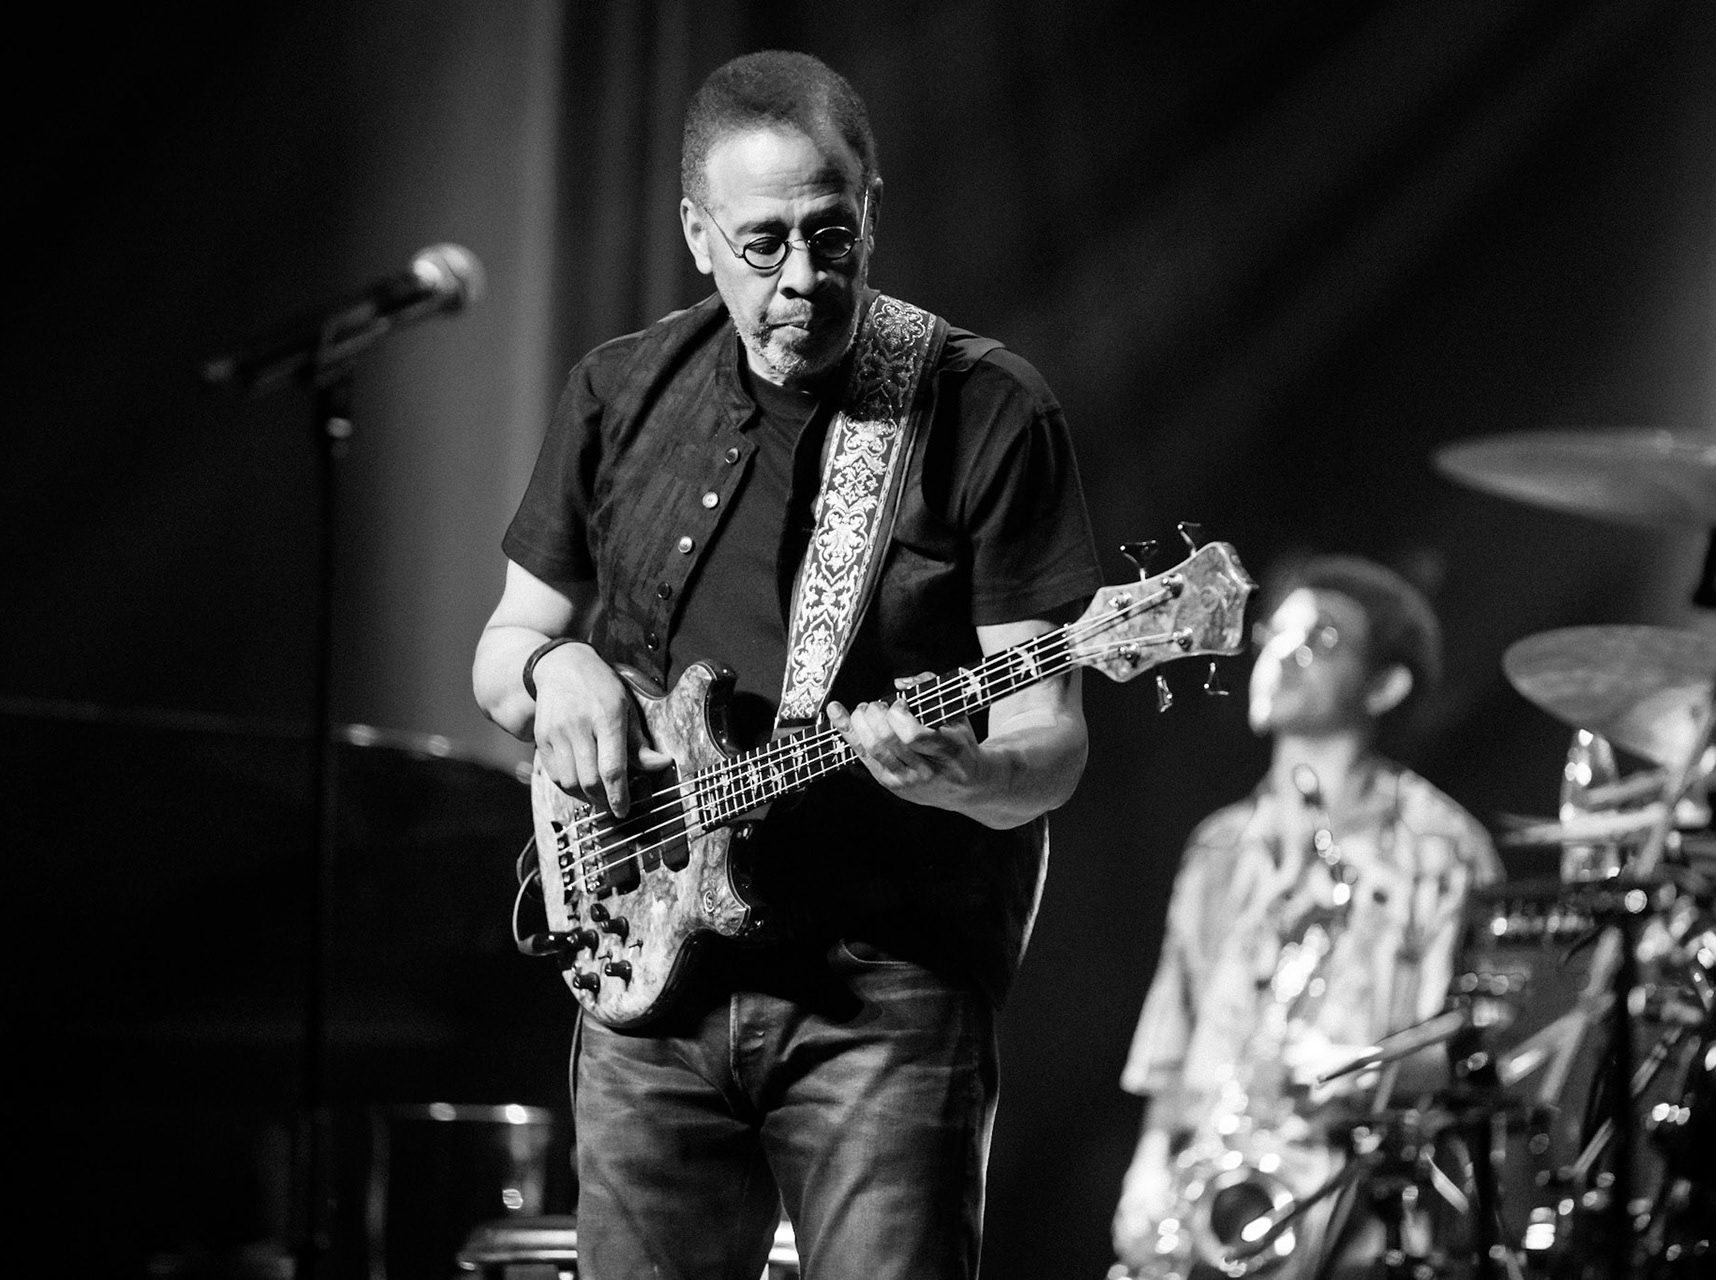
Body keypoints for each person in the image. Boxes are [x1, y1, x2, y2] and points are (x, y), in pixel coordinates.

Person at [471, 50, 1103, 1280]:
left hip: (883, 998)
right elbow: (502, 648)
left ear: (873, 211)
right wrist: (558, 674)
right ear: (697, 234)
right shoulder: (618, 389)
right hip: (644, 974)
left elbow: (1051, 746)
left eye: (832, 236)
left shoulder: (987, 408)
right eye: (763, 245)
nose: (803, 279)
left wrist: (955, 774)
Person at [1111, 555, 1502, 1279]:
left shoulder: (1445, 847)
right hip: (1212, 1206)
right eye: (1274, 635)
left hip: (1364, 1214)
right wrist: (1147, 1166)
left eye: (1320, 640)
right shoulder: (1218, 844)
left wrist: (1358, 1068)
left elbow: (1479, 1052)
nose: (1279, 655)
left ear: (1384, 685)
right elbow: (1175, 1034)